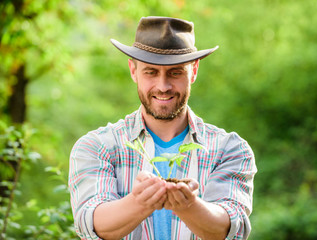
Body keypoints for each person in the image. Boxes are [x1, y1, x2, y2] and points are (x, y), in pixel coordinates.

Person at [69, 16, 257, 240]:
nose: (163, 86)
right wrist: (139, 203)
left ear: (194, 71)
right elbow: (91, 224)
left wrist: (188, 206)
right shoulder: (97, 146)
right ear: (133, 70)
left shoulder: (229, 149)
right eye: (151, 72)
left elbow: (230, 228)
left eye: (175, 72)